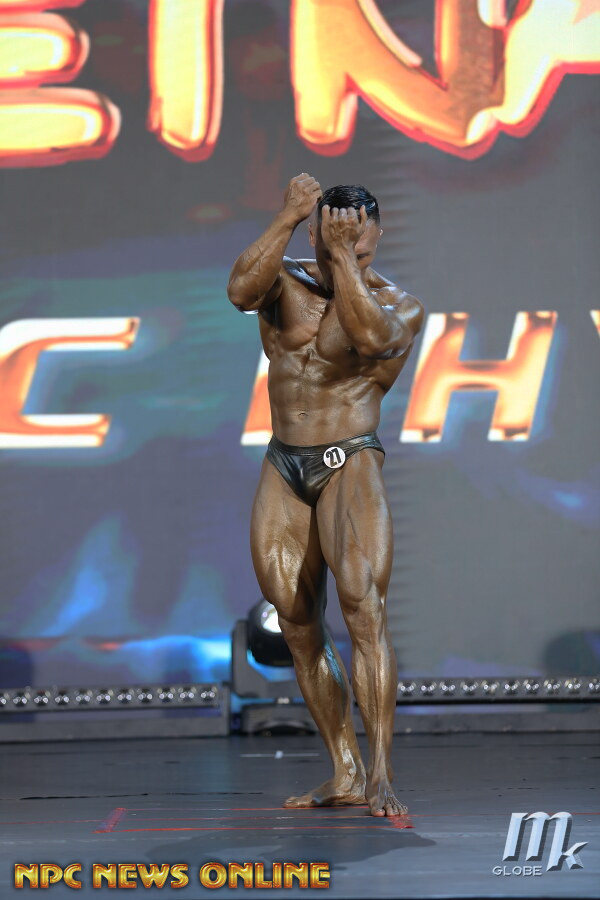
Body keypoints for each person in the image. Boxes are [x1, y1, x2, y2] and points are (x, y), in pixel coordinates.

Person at [227, 174, 424, 817]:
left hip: (350, 459)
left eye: (359, 240)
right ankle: (345, 770)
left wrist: (341, 260)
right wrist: (288, 215)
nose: (348, 245)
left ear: (376, 236)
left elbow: (370, 339)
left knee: (363, 611)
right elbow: (239, 292)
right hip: (285, 460)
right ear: (313, 230)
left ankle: (381, 775)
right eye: (334, 235)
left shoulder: (399, 304)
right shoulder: (282, 284)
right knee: (296, 621)